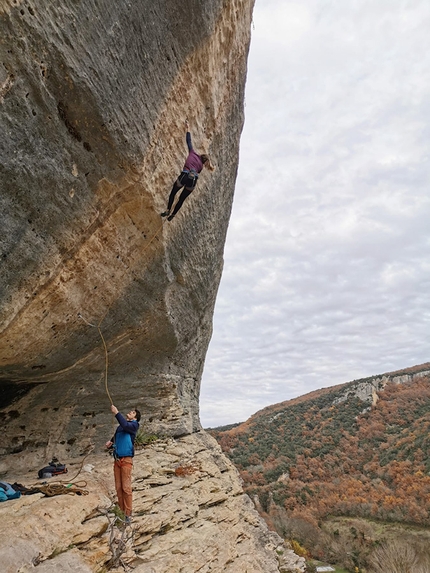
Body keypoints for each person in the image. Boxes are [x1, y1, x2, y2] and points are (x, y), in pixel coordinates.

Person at [161, 120, 214, 221]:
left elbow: (188, 140)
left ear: (200, 155)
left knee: (173, 193)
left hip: (184, 176)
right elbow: (196, 172)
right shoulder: (201, 167)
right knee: (181, 199)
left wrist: (188, 127)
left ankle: (168, 210)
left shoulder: (192, 153)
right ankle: (173, 215)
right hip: (192, 183)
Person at [105, 404, 141, 523]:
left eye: (133, 412)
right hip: (117, 460)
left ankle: (128, 514)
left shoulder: (134, 425)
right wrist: (110, 441)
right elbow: (117, 434)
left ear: (135, 417)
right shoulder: (122, 426)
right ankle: (121, 511)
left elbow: (125, 425)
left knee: (126, 488)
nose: (130, 413)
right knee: (119, 487)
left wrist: (116, 412)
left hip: (126, 460)